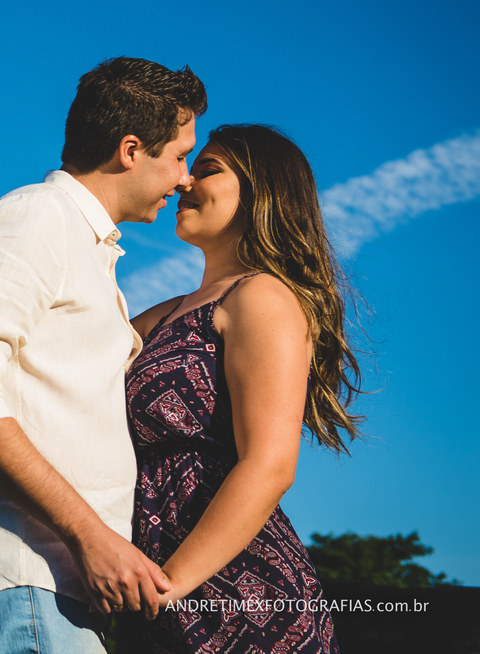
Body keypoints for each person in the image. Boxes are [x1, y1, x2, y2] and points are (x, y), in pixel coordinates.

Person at [0, 57, 207, 653]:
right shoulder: (36, 218)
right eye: (180, 155)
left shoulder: (90, 249)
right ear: (131, 149)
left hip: (49, 594)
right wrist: (90, 536)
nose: (186, 179)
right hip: (20, 584)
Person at [125, 124, 364, 652]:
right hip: (150, 590)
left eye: (208, 170)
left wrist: (170, 587)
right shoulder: (157, 317)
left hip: (242, 601)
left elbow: (270, 464)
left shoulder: (261, 296)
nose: (184, 182)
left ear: (263, 193)